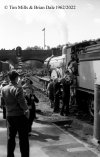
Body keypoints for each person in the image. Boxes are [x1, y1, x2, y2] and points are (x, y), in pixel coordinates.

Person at [1, 70, 30, 157]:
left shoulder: (3, 89)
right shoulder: (18, 88)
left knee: (11, 138)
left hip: (10, 116)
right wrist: (26, 110)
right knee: (23, 138)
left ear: (9, 78)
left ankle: (10, 155)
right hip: (20, 116)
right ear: (17, 78)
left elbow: (1, 104)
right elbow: (21, 101)